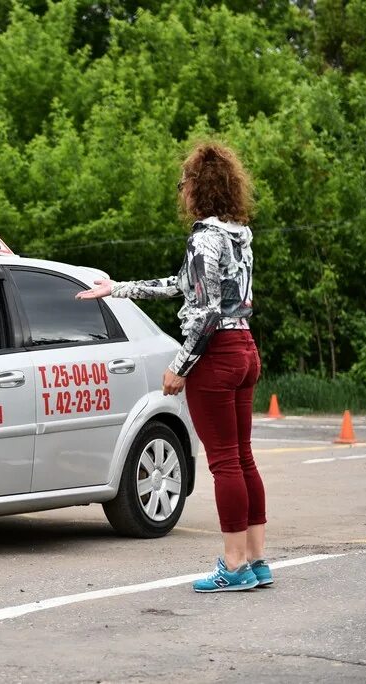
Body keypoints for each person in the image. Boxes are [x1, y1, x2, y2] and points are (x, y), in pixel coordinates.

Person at [76, 142, 269, 593]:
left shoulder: (204, 237)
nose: (181, 191)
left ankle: (234, 565)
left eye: (183, 183)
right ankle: (257, 561)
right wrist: (117, 289)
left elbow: (201, 312)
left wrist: (180, 366)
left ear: (197, 187)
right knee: (242, 457)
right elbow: (181, 285)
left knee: (224, 463)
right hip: (244, 348)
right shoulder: (238, 234)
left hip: (216, 356)